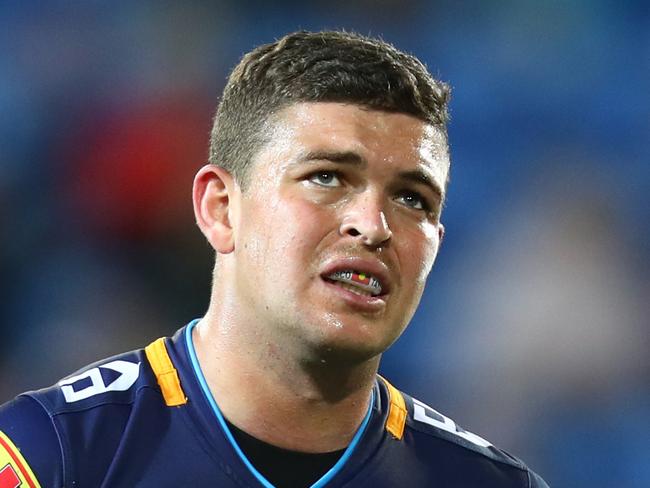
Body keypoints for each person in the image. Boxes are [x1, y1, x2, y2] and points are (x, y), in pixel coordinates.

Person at [0, 31, 548, 487]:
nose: (374, 225)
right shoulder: (54, 452)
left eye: (412, 199)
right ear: (221, 209)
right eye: (327, 177)